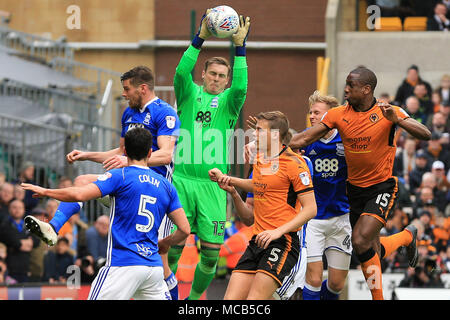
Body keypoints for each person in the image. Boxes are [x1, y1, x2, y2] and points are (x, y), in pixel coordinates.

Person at [289, 67, 432, 300]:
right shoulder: (337, 114)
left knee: (360, 240)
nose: (345, 89)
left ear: (366, 89)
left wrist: (398, 121)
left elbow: (425, 133)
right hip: (354, 191)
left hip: (381, 188)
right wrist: (273, 146)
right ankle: (407, 236)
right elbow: (304, 137)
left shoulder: (388, 111)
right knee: (369, 248)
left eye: (350, 85)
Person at [48, 66, 182, 299]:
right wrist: (87, 154)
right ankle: (53, 227)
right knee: (82, 180)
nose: (123, 94)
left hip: (153, 193)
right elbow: (121, 153)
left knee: (161, 261)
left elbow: (166, 154)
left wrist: (126, 160)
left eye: (127, 89)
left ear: (142, 88)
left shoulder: (165, 113)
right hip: (127, 187)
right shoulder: (128, 113)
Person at [22, 128, 190, 300]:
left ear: (124, 152)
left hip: (123, 266)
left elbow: (79, 194)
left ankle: (54, 226)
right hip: (153, 270)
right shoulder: (167, 186)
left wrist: (46, 191)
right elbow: (184, 229)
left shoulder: (120, 176)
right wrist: (165, 242)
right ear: (150, 152)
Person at [167, 9, 250, 300]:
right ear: (203, 75)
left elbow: (241, 86)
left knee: (211, 256)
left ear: (226, 81)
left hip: (213, 188)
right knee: (172, 247)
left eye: (221, 76)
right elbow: (179, 72)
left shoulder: (230, 102)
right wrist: (200, 36)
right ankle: (167, 295)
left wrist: (240, 48)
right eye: (212, 74)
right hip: (181, 181)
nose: (216, 79)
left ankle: (191, 303)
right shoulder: (188, 93)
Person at [209, 111, 317, 300]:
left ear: (275, 135)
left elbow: (311, 209)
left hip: (283, 242)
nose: (254, 135)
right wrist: (230, 183)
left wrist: (277, 232)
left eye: (259, 130)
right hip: (257, 240)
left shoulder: (295, 164)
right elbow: (259, 185)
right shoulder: (260, 158)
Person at [296, 91, 353, 300]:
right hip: (313, 219)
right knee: (314, 278)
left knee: (337, 283)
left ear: (330, 116)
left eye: (316, 112)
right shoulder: (305, 139)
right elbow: (284, 150)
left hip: (341, 216)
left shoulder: (346, 139)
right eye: (310, 112)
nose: (311, 116)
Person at [5, 199, 40, 282]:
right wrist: (21, 243)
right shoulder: (4, 225)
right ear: (9, 209)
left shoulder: (29, 225)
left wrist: (25, 243)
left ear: (24, 210)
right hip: (9, 270)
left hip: (27, 269)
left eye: (20, 208)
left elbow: (37, 240)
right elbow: (9, 239)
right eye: (14, 207)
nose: (17, 210)